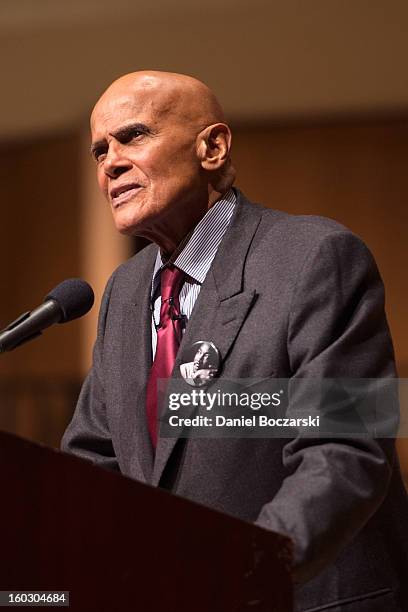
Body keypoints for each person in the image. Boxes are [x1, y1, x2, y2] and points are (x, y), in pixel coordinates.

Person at [62, 70, 408, 611]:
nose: (110, 163)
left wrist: (239, 571)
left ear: (213, 147)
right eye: (98, 150)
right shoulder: (123, 292)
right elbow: (93, 459)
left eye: (132, 136)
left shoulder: (316, 257)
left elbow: (345, 449)